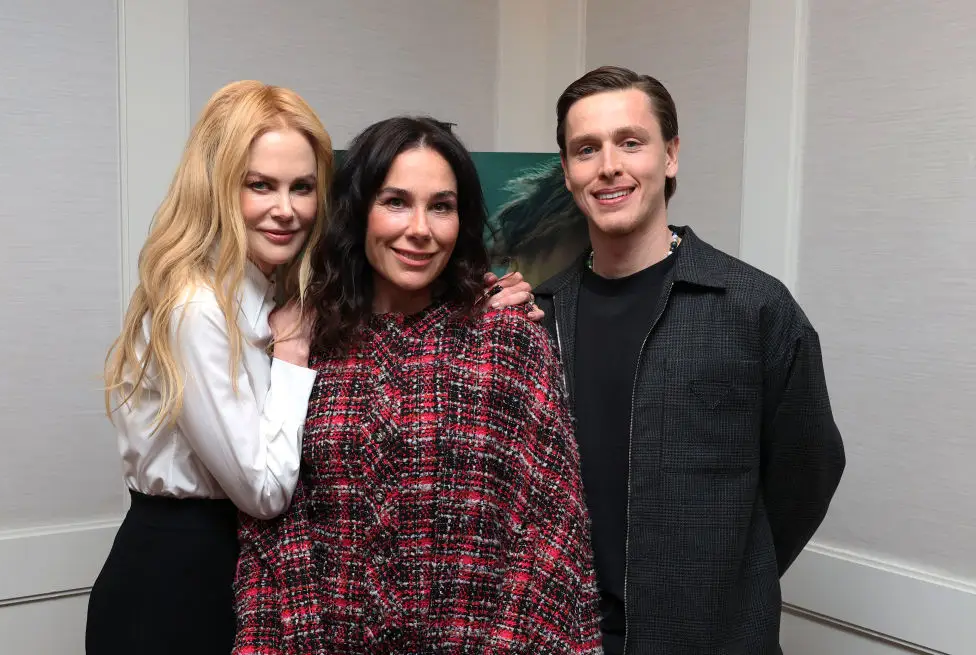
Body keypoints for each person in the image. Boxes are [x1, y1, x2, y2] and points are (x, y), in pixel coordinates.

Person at [87, 82, 537, 655]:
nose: (287, 209)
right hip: (177, 575)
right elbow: (264, 491)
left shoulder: (275, 293)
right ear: (217, 187)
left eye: (302, 187)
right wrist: (294, 356)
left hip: (235, 571)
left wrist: (490, 295)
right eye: (260, 185)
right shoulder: (198, 306)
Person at [231, 116, 602, 654]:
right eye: (396, 201)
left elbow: (553, 528)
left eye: (442, 206)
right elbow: (269, 540)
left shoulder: (508, 340)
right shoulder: (304, 345)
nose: (421, 228)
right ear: (358, 213)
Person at [533, 66, 846, 654]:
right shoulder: (541, 315)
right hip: (568, 639)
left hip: (713, 639)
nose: (608, 166)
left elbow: (810, 468)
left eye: (631, 142)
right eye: (586, 149)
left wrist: (727, 575)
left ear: (670, 155)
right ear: (569, 173)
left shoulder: (752, 307)